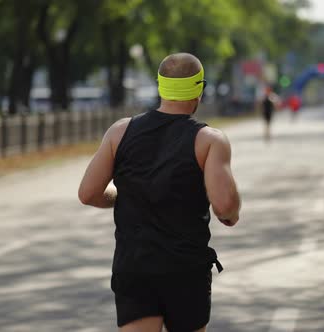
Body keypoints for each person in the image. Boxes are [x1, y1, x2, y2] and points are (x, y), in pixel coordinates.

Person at [78, 53, 241, 332]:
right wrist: (230, 214)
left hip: (135, 267)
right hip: (185, 269)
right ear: (198, 89)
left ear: (160, 87)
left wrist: (120, 195)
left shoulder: (120, 132)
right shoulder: (209, 140)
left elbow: (88, 193)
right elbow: (225, 206)